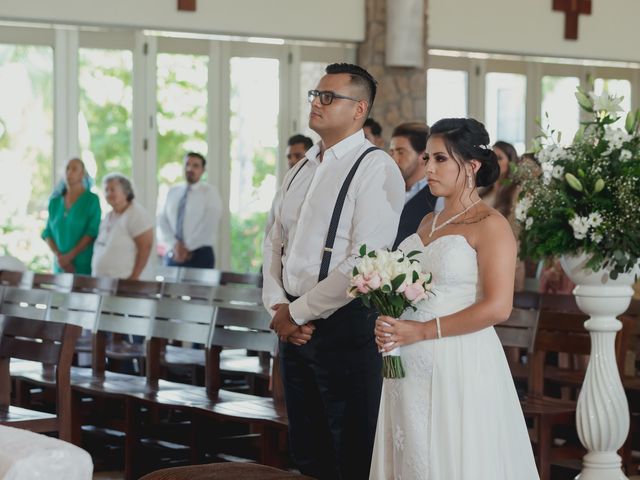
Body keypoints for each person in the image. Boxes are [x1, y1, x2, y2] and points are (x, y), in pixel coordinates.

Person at [370, 118, 539, 479]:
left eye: (440, 159)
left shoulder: (490, 225)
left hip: (458, 358)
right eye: (427, 158)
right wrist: (390, 319)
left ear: (472, 166)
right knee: (409, 451)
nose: (428, 167)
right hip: (406, 362)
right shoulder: (426, 223)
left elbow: (498, 306)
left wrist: (422, 331)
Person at [263, 63, 404, 479]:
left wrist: (299, 312)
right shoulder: (300, 168)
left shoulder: (375, 167)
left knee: (351, 450)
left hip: (344, 327)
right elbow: (273, 242)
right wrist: (277, 305)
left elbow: (364, 259)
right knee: (308, 452)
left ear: (359, 109)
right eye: (315, 95)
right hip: (291, 326)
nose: (317, 103)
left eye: (329, 97)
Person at [158, 152, 222, 269]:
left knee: (199, 288)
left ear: (203, 170)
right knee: (170, 288)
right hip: (173, 253)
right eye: (187, 164)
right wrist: (175, 245)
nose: (190, 168)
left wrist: (187, 247)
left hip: (199, 254)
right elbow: (162, 220)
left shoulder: (210, 192)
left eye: (195, 165)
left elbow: (209, 224)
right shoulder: (172, 191)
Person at [42, 158, 101, 274]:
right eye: (67, 168)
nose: (69, 172)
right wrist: (60, 257)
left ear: (82, 174)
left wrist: (69, 257)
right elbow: (47, 232)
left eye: (74, 169)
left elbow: (92, 232)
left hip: (82, 266)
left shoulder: (91, 200)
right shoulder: (55, 202)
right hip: (60, 267)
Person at [92, 173, 154, 280]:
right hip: (102, 282)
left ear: (126, 192)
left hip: (126, 282)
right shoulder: (108, 216)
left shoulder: (136, 214)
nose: (108, 193)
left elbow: (145, 247)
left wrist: (134, 277)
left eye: (112, 190)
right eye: (106, 190)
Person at [389, 122, 438, 249]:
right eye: (391, 152)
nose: (393, 159)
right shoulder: (387, 190)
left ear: (423, 157)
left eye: (401, 152)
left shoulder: (436, 197)